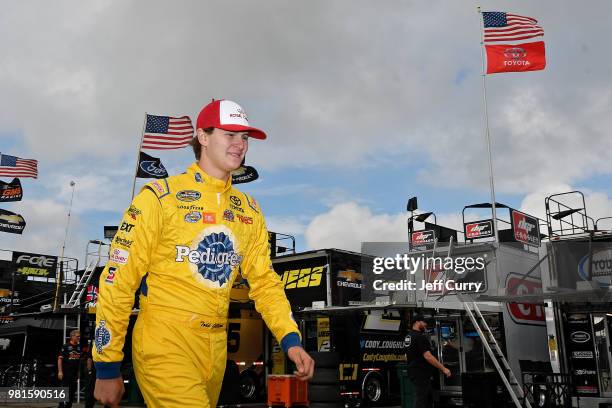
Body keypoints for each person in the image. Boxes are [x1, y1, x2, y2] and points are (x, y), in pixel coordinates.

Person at [93, 99, 315, 408]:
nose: (240, 145)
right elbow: (118, 282)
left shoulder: (249, 210)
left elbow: (265, 283)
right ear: (203, 137)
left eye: (245, 137)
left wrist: (291, 340)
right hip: (164, 340)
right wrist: (107, 366)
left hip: (217, 348)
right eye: (230, 134)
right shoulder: (159, 199)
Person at [404, 315, 451, 408]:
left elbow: (405, 356)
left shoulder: (408, 337)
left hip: (414, 373)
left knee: (428, 399)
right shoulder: (420, 337)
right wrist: (443, 368)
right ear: (417, 322)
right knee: (421, 401)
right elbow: (428, 356)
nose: (425, 324)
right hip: (421, 374)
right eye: (424, 322)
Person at [57, 330, 82, 408]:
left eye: (79, 336)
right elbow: (60, 359)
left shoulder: (79, 347)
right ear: (72, 337)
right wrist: (60, 371)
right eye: (77, 336)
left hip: (74, 374)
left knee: (72, 391)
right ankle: (61, 405)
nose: (79, 338)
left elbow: (79, 361)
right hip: (66, 373)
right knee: (64, 390)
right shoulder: (66, 346)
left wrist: (78, 372)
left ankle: (68, 406)